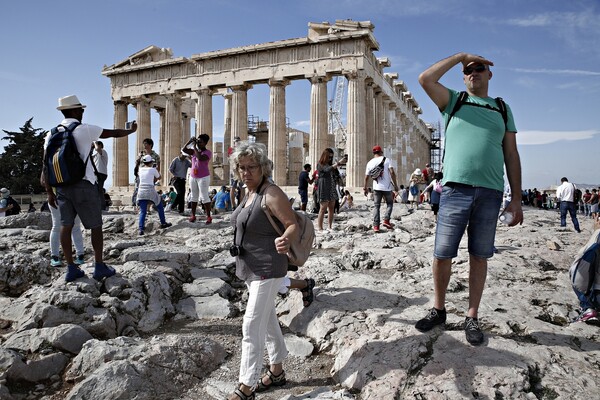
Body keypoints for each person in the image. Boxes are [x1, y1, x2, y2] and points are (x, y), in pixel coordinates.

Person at [415, 53, 523, 346]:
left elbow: (511, 154)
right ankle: (438, 309)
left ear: (490, 75)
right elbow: (425, 79)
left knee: (480, 255)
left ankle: (472, 316)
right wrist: (461, 56)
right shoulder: (454, 101)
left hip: (490, 192)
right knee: (442, 253)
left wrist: (516, 198)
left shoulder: (502, 108)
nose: (474, 71)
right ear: (463, 77)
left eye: (480, 68)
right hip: (455, 190)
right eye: (469, 70)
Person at [228, 141, 299, 400]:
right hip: (249, 266)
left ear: (263, 167)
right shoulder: (247, 192)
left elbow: (292, 224)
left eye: (252, 167)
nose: (246, 172)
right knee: (267, 320)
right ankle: (277, 370)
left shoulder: (271, 192)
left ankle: (246, 386)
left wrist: (286, 238)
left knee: (251, 325)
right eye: (241, 167)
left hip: (269, 267)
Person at [41, 94, 137, 282]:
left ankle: (71, 268)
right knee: (95, 226)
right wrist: (131, 131)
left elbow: (45, 164)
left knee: (65, 225)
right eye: (81, 109)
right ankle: (99, 266)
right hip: (83, 184)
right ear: (75, 111)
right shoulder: (84, 129)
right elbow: (114, 133)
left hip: (61, 187)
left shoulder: (50, 134)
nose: (83, 111)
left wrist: (49, 192)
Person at [363, 145, 399, 232]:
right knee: (390, 204)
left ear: (373, 153)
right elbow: (392, 172)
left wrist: (365, 188)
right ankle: (386, 220)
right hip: (386, 187)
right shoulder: (386, 160)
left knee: (376, 206)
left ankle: (376, 226)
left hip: (376, 187)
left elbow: (366, 177)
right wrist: (396, 185)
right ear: (381, 152)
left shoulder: (370, 162)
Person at [136, 155, 172, 235]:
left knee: (143, 211)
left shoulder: (140, 169)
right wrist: (156, 169)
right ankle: (163, 223)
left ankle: (141, 229)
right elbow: (159, 177)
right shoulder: (153, 169)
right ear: (151, 162)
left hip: (141, 190)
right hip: (150, 190)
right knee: (159, 206)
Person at [182, 134, 213, 224]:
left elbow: (200, 158)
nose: (198, 143)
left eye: (200, 142)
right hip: (193, 176)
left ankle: (209, 216)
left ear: (206, 143)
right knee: (193, 196)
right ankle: (193, 215)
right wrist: (190, 141)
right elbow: (184, 150)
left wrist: (195, 147)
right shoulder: (193, 151)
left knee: (204, 197)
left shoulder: (208, 152)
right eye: (198, 141)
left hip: (203, 177)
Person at [316, 148, 346, 231]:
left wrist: (338, 165)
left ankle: (329, 226)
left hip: (332, 187)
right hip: (324, 187)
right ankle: (320, 228)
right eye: (329, 157)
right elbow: (326, 170)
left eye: (331, 157)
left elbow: (335, 173)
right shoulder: (320, 164)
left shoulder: (330, 164)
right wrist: (337, 163)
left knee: (331, 207)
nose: (330, 159)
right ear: (325, 156)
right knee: (323, 208)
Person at [133, 138, 160, 206]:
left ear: (150, 145)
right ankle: (140, 207)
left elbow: (158, 166)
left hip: (151, 175)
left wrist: (156, 176)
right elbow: (137, 163)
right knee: (138, 189)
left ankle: (148, 208)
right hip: (141, 175)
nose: (144, 145)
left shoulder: (156, 156)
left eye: (146, 144)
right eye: (144, 144)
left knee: (150, 192)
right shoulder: (141, 154)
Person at [92, 141, 108, 210]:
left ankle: (101, 206)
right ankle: (99, 205)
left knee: (99, 190)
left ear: (101, 145)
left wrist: (94, 142)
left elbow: (98, 149)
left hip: (101, 173)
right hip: (96, 174)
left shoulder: (103, 152)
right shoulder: (95, 155)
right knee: (97, 190)